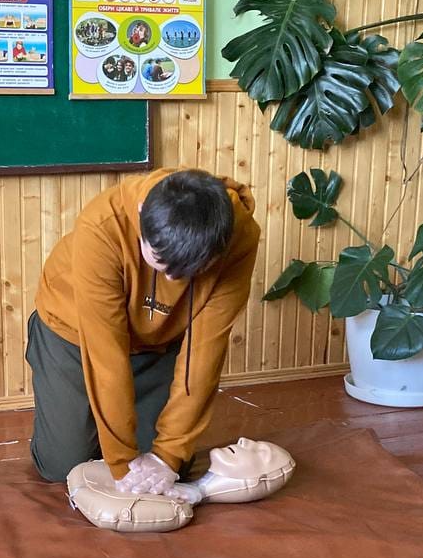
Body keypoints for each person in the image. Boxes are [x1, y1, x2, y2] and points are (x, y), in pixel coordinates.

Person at [26, 168, 261, 495]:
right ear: (141, 214)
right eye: (161, 262)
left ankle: (124, 415)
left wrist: (167, 456)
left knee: (177, 466)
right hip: (73, 334)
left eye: (190, 271)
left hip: (157, 343)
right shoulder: (101, 226)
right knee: (62, 466)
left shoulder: (239, 236)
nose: (174, 280)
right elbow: (106, 357)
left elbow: (204, 352)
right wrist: (122, 463)